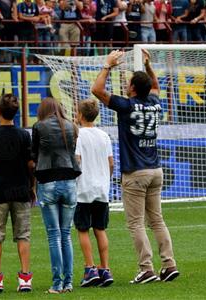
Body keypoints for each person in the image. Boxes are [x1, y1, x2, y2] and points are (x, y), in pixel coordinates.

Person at [91, 49, 179, 284]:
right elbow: (156, 87)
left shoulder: (127, 106)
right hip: (155, 169)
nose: (127, 85)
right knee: (157, 220)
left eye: (129, 83)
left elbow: (96, 91)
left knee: (136, 223)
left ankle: (146, 269)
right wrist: (149, 67)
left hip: (135, 171)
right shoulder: (154, 102)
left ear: (132, 89)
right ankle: (169, 264)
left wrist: (107, 65)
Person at [0, 93, 35, 294]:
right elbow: (31, 165)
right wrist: (32, 187)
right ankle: (25, 278)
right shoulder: (24, 135)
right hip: (21, 190)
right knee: (23, 235)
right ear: (16, 113)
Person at [32, 97, 81, 294]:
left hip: (48, 181)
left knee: (54, 235)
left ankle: (57, 283)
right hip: (69, 181)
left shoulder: (39, 126)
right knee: (66, 234)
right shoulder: (71, 126)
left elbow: (33, 154)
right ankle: (68, 282)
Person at [74, 99, 115, 288]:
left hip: (83, 188)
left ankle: (90, 268)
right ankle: (105, 269)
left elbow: (77, 159)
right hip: (101, 188)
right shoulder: (104, 135)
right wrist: (105, 178)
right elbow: (111, 163)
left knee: (83, 229)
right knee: (100, 229)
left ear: (80, 115)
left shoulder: (78, 135)